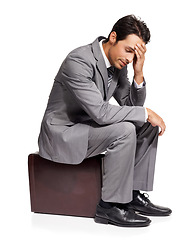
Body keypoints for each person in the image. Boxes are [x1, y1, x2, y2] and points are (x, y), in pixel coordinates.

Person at [38, 14, 172, 227]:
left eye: (134, 54)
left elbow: (130, 106)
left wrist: (139, 73)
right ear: (112, 37)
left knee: (147, 126)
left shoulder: (120, 65)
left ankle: (131, 194)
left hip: (89, 127)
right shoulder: (79, 61)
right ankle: (109, 207)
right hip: (64, 133)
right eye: (129, 50)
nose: (129, 58)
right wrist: (145, 112)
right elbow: (101, 113)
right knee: (126, 129)